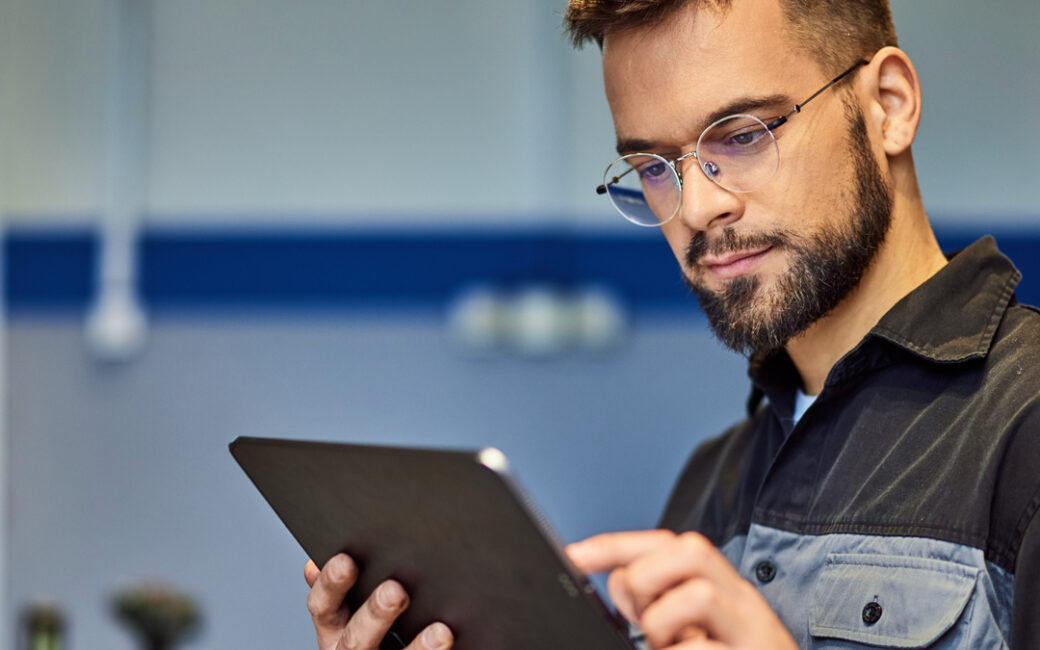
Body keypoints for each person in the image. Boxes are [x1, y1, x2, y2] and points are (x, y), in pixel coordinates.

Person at [304, 0, 1040, 648]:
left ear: (888, 104)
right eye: (655, 166)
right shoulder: (710, 488)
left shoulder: (1025, 429)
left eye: (743, 134)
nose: (695, 208)